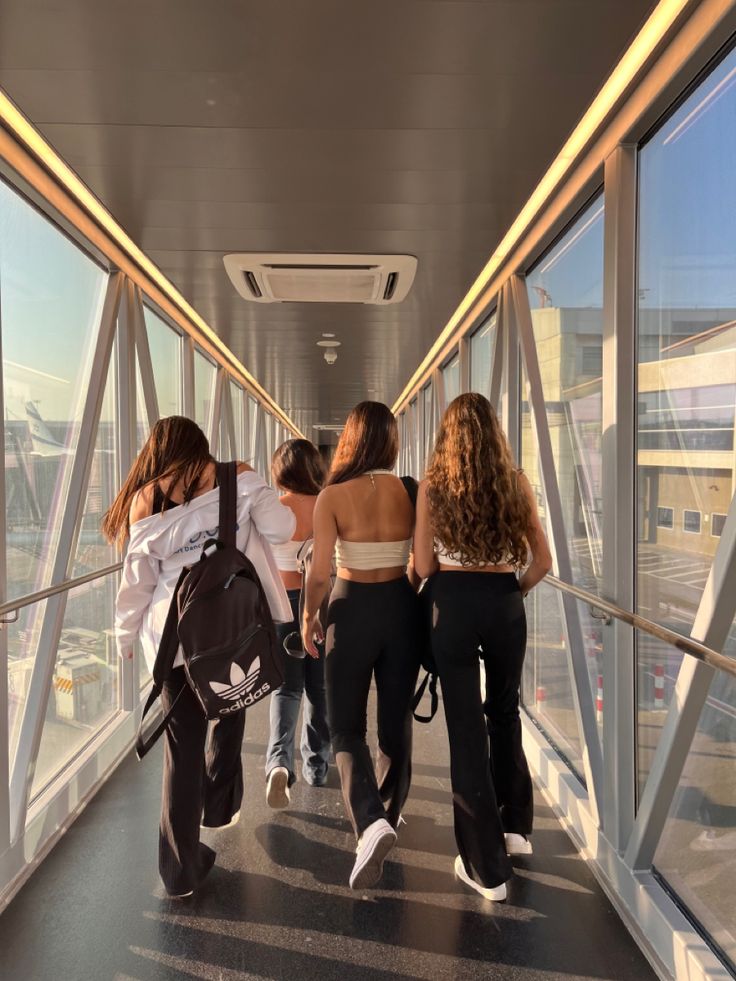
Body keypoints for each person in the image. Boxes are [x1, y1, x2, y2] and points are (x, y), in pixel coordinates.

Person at [103, 416, 295, 898]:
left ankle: (179, 872)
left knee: (182, 750)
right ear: (202, 447)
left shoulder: (147, 501)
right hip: (233, 633)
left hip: (175, 647)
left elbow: (137, 586)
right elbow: (284, 528)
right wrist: (257, 490)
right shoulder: (237, 480)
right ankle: (220, 806)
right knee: (230, 709)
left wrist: (124, 639)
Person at [414, 393, 552, 903]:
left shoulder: (434, 488)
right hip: (503, 602)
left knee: (466, 729)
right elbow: (542, 562)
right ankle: (516, 827)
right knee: (504, 712)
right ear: (495, 434)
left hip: (452, 604)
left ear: (446, 436)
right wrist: (510, 593)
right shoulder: (516, 484)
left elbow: (425, 568)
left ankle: (485, 866)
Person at [301, 401, 419, 890]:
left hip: (349, 612)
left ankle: (370, 822)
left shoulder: (332, 496)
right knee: (396, 723)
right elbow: (424, 560)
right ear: (390, 441)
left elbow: (320, 572)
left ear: (350, 439)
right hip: (401, 606)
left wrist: (310, 615)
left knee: (346, 726)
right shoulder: (412, 490)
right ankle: (387, 814)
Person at [265, 438, 331, 808]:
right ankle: (317, 766)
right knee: (318, 689)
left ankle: (278, 763)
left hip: (281, 605)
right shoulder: (324, 506)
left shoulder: (276, 510)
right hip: (318, 601)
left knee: (285, 690)